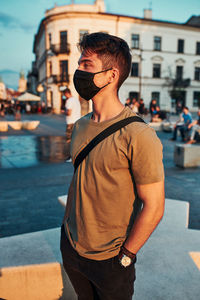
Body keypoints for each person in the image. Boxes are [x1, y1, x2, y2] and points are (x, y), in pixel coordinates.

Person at [60, 32, 165, 300]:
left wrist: (126, 257)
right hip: (72, 248)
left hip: (111, 260)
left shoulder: (139, 135)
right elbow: (79, 179)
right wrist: (66, 228)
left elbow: (154, 206)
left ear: (111, 75)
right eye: (80, 64)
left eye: (87, 65)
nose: (78, 72)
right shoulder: (81, 125)